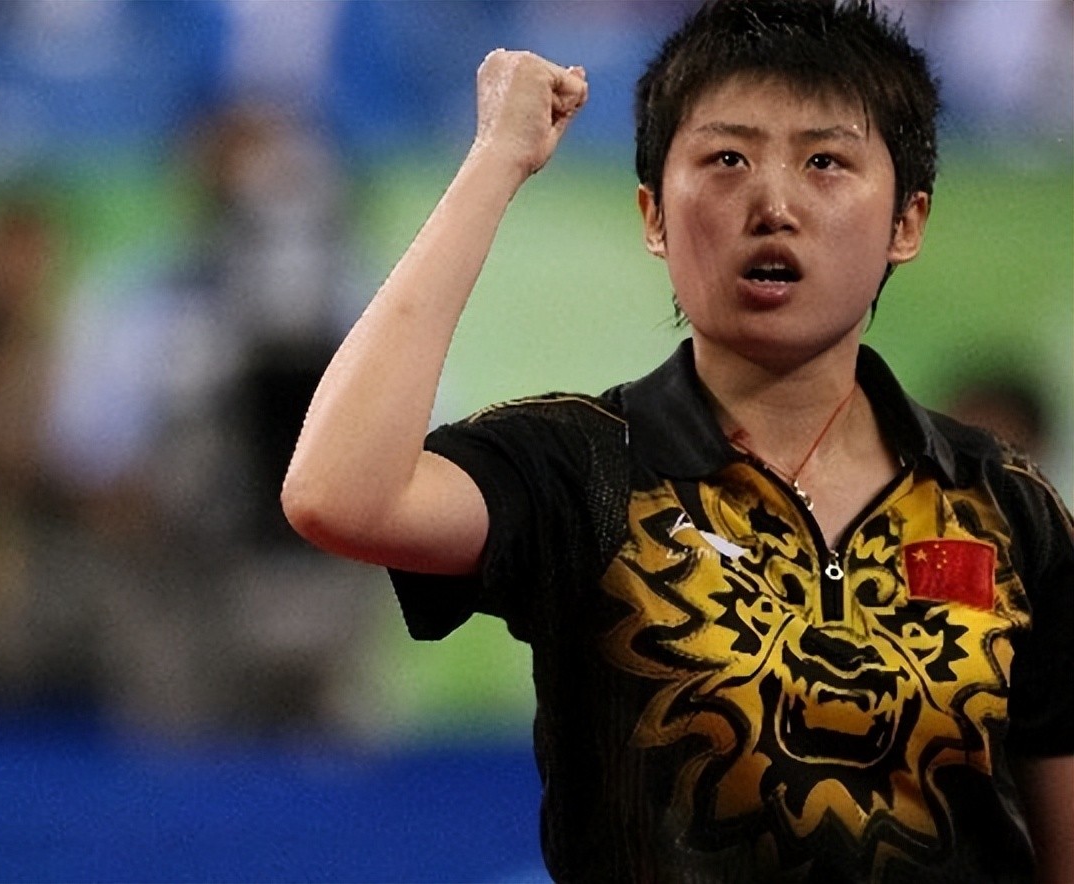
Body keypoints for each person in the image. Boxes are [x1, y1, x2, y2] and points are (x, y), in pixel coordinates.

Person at [282, 1, 1074, 881]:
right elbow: (336, 493)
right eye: (727, 159)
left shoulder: (1006, 505)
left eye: (825, 161)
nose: (773, 205)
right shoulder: (582, 469)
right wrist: (495, 162)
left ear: (906, 222)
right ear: (654, 216)